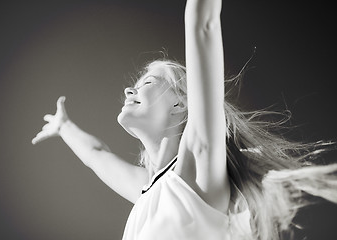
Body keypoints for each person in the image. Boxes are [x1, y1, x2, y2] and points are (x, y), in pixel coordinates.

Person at [32, 0, 337, 239]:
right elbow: (96, 155)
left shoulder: (197, 166)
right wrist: (65, 127)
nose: (129, 89)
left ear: (181, 103)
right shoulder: (146, 189)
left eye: (147, 83)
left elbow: (202, 25)